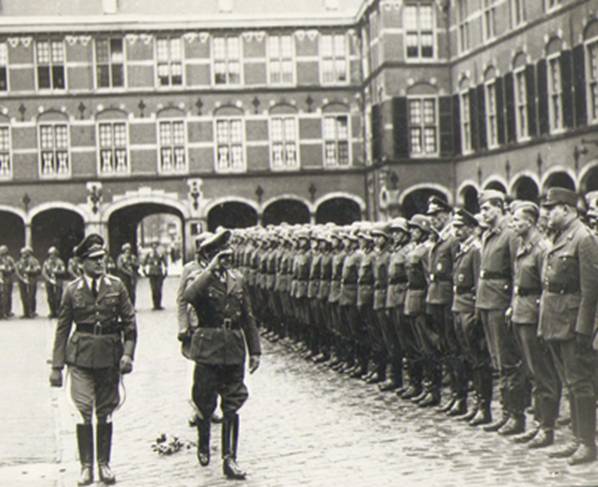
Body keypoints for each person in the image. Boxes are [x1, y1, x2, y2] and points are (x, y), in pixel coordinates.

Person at [49, 233, 137, 485]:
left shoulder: (117, 287)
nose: (100, 263)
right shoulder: (71, 290)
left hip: (110, 356)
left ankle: (104, 464)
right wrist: (57, 367)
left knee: (106, 411)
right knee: (84, 410)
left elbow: (130, 324)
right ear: (82, 263)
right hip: (80, 358)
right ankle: (86, 466)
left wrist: (128, 354)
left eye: (102, 258)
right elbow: (62, 329)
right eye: (94, 259)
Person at [181, 229, 261, 480]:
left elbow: (248, 316)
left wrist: (254, 350)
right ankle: (204, 442)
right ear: (209, 255)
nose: (225, 259)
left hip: (233, 348)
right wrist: (210, 270)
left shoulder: (237, 279)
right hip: (208, 348)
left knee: (232, 404)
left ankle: (230, 459)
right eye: (219, 254)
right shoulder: (199, 277)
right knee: (205, 401)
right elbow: (189, 296)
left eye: (226, 254)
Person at [539, 188, 598, 465]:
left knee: (580, 383)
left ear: (566, 208)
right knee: (571, 384)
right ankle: (577, 438)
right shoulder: (562, 236)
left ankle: (587, 442)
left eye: (551, 208)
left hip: (573, 322)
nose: (547, 214)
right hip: (556, 319)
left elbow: (591, 289)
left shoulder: (583, 238)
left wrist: (584, 329)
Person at [15, 247, 41, 318]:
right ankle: (25, 312)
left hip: (31, 280)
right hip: (22, 281)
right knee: (23, 296)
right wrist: (22, 278)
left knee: (31, 296)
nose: (23, 254)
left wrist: (30, 271)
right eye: (22, 253)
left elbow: (38, 270)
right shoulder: (20, 262)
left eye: (25, 253)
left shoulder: (34, 261)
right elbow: (17, 270)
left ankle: (31, 312)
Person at [42, 246, 66, 318]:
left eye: (53, 254)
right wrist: (48, 279)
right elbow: (44, 272)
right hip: (49, 281)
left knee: (58, 297)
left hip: (58, 280)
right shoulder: (46, 262)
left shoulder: (60, 262)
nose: (52, 256)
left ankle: (58, 311)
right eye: (50, 254)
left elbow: (63, 271)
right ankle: (52, 312)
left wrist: (57, 272)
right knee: (50, 297)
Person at [143, 240, 168, 310]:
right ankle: (154, 305)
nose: (154, 247)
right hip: (152, 273)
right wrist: (144, 271)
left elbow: (165, 262)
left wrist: (165, 271)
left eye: (155, 246)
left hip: (159, 273)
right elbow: (144, 263)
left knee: (159, 289)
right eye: (153, 246)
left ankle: (159, 305)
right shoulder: (149, 254)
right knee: (153, 289)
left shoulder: (160, 254)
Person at [0, 245, 15, 318]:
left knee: (7, 296)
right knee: (2, 297)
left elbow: (13, 268)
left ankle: (7, 311)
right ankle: (2, 312)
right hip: (1, 279)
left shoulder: (9, 259)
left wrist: (9, 269)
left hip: (7, 279)